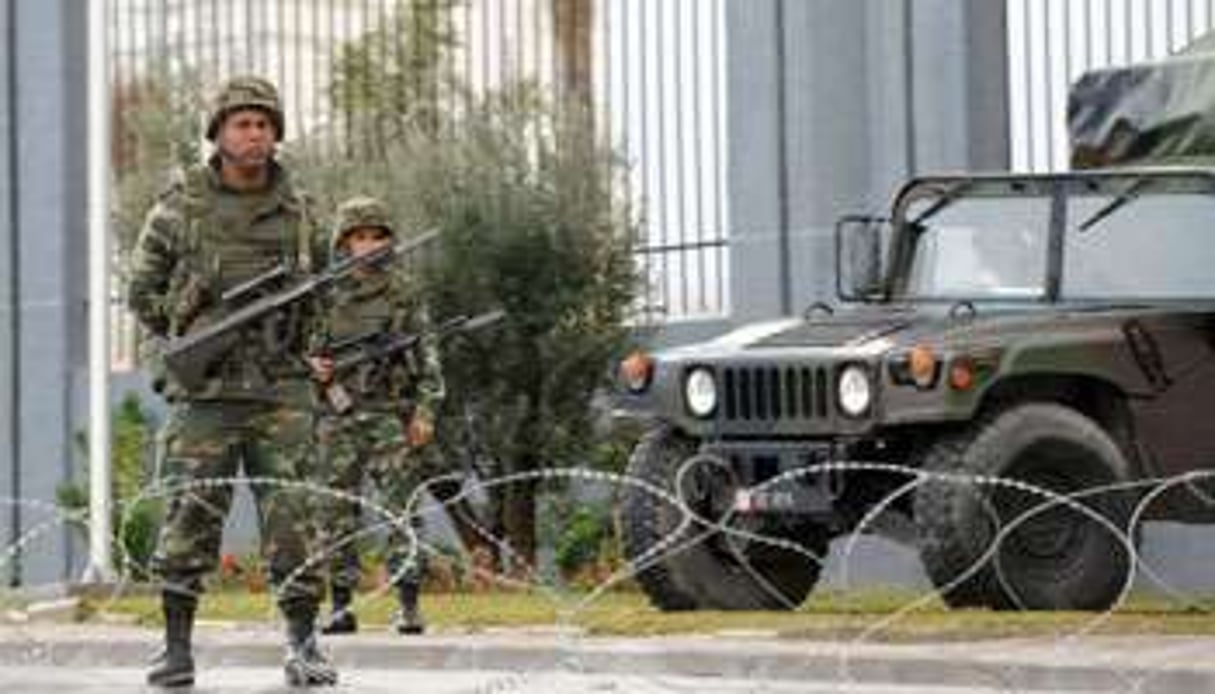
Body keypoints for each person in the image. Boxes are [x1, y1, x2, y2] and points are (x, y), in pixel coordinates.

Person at [127, 75, 337, 688]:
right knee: (189, 517)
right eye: (242, 123)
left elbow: (325, 291)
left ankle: (304, 646)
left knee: (294, 520)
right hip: (207, 396)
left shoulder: (301, 213)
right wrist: (193, 319)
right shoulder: (179, 208)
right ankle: (175, 650)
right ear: (217, 133)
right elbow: (142, 292)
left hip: (281, 391)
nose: (255, 134)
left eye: (265, 123)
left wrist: (317, 349)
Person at [307, 195, 446, 637]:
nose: (367, 245)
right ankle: (341, 607)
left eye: (376, 236)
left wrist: (425, 412)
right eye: (358, 237)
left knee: (400, 511)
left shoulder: (405, 292)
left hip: (391, 414)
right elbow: (299, 352)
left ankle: (407, 605)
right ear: (344, 243)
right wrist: (315, 368)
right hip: (338, 414)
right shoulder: (324, 294)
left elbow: (429, 357)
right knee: (335, 512)